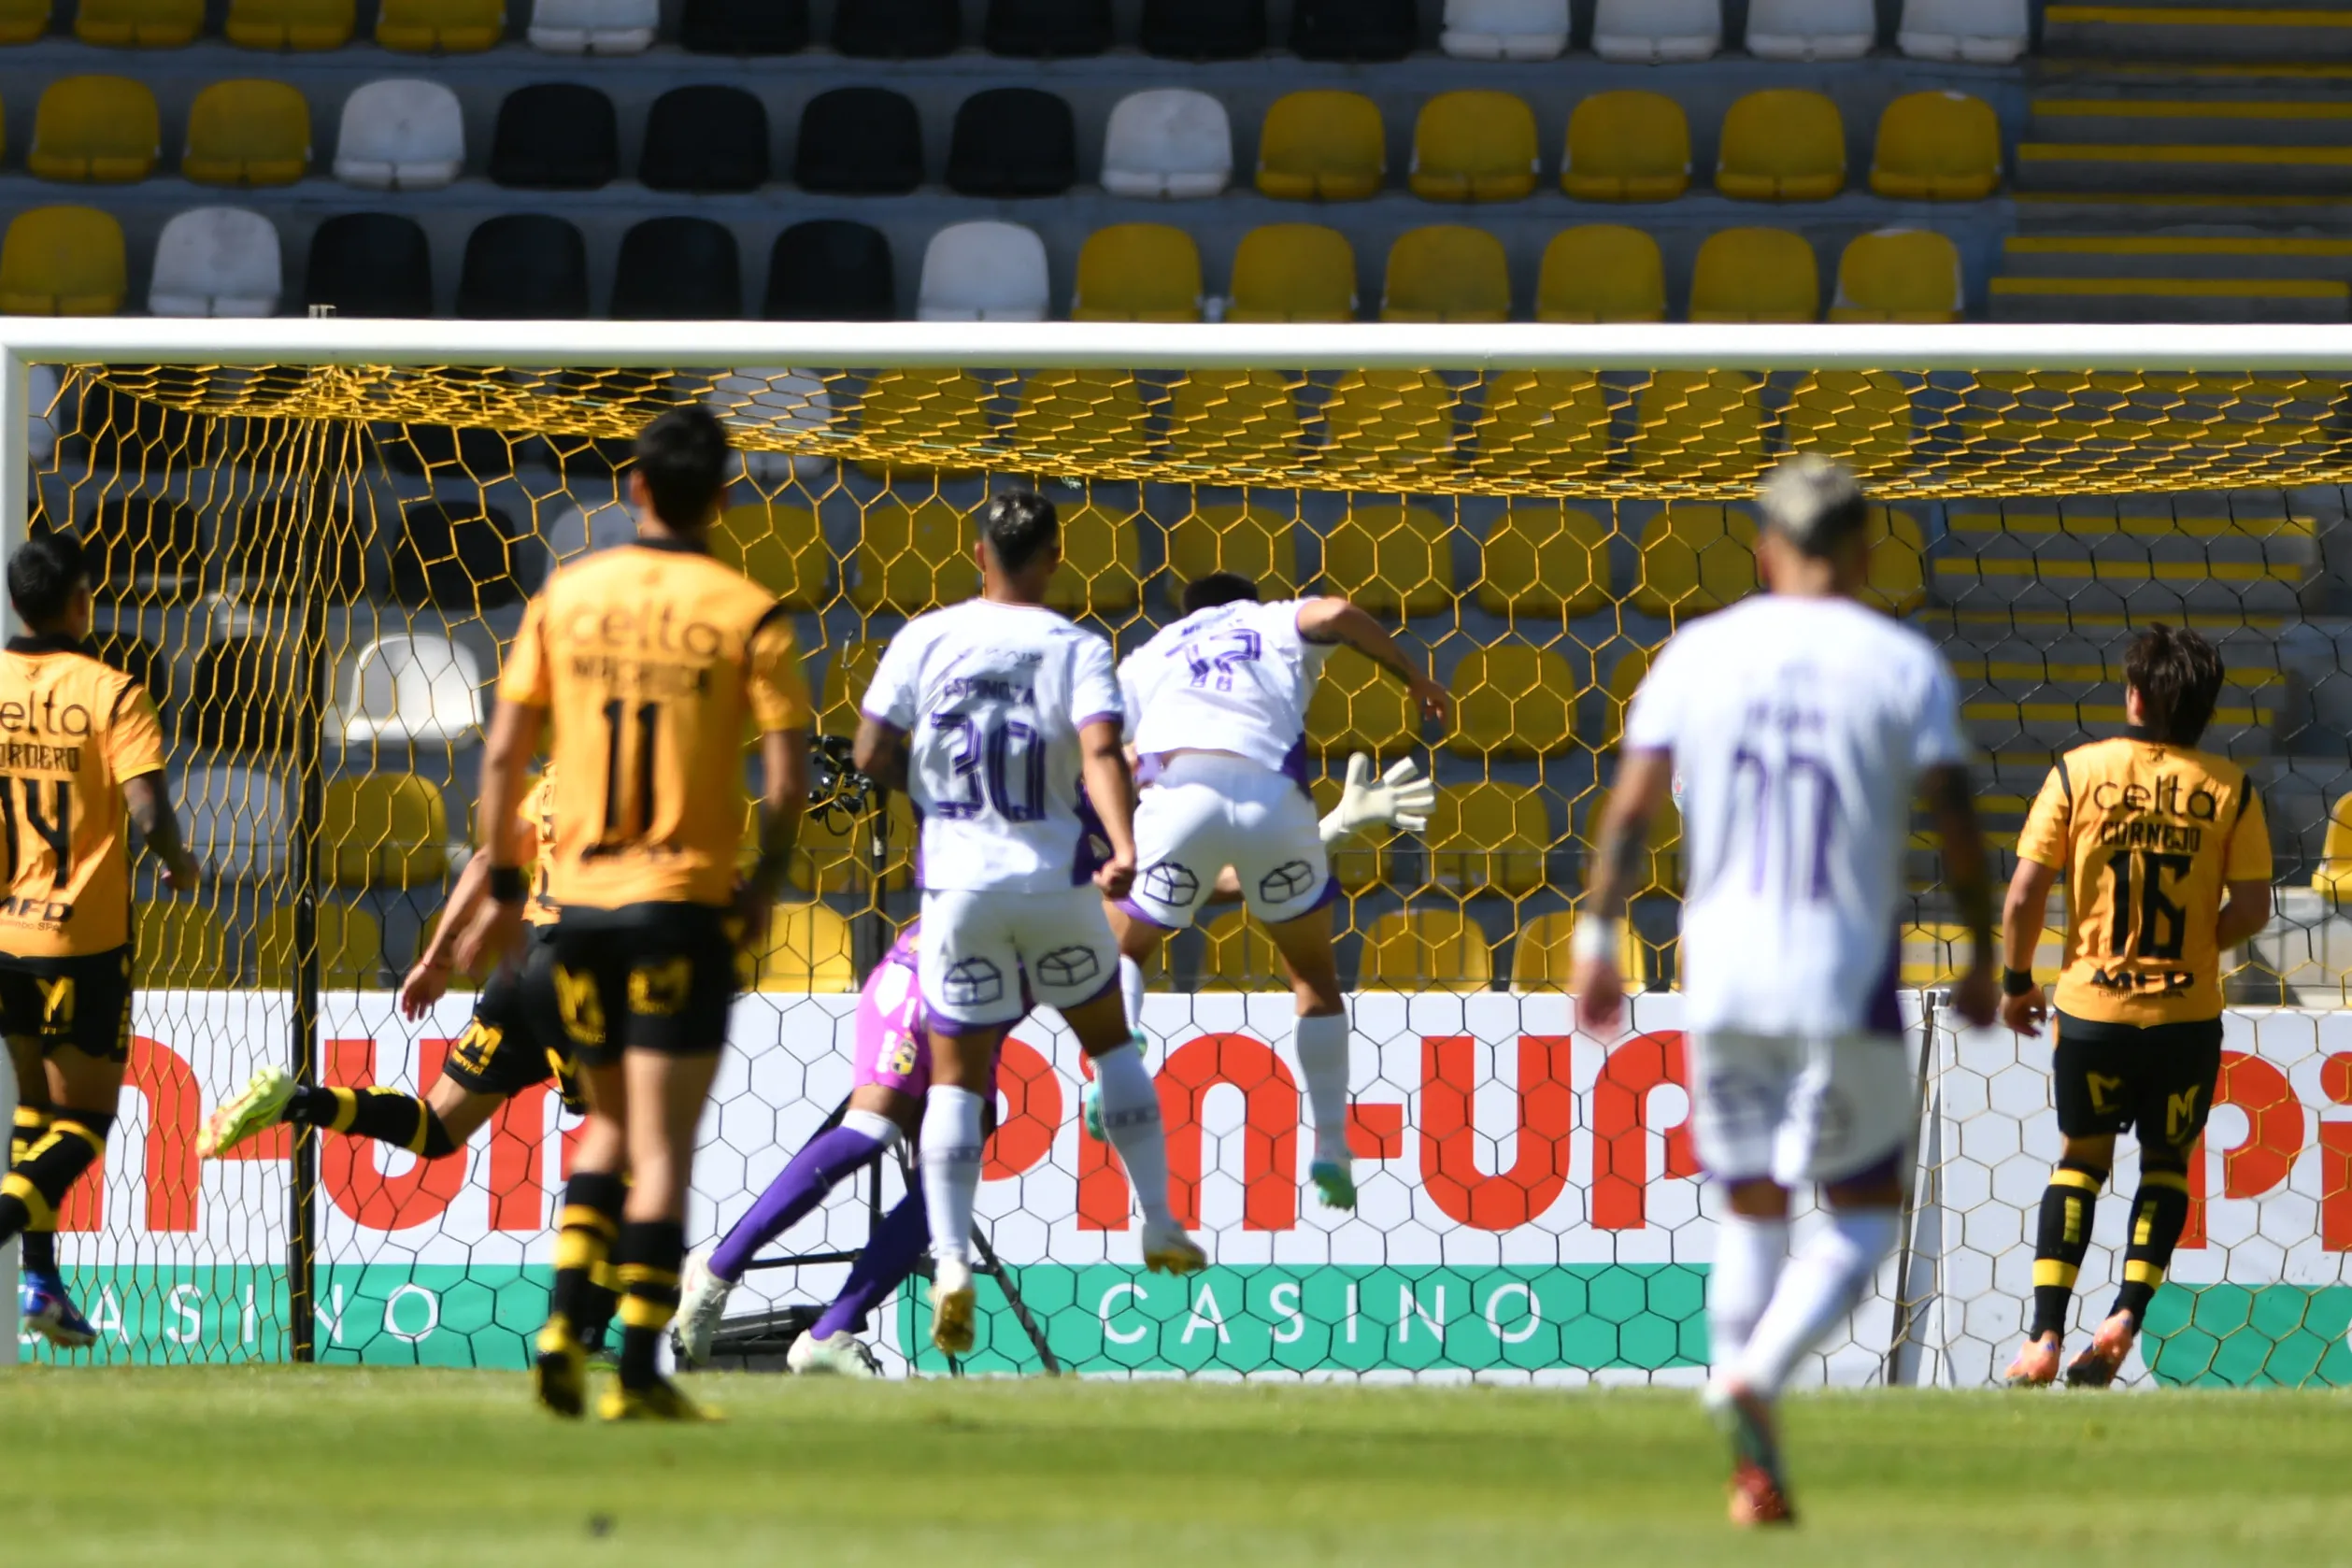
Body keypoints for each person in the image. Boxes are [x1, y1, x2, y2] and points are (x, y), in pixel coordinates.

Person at [670, 753, 1430, 1373]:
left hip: (979, 1028)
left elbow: (1207, 886)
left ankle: (830, 1334)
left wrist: (1326, 829)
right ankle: (715, 1271)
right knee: (871, 1131)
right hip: (920, 981)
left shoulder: (1117, 858)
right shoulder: (1044, 819)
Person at [1572, 455, 1998, 1527]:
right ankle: (1757, 1373)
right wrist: (1988, 952)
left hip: (1718, 974)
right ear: (1862, 551)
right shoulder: (1902, 663)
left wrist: (1596, 930)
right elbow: (1955, 821)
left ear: (1765, 547)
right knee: (1857, 1218)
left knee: (1750, 1206)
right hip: (1842, 969)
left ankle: (1751, 1464)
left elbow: (1629, 811)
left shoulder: (1697, 653)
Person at [457, 404, 812, 1421]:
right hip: (678, 909)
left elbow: (501, 754)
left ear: (634, 489)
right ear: (728, 497)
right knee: (661, 1148)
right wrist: (765, 885)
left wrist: (500, 887)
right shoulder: (750, 611)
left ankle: (564, 1327)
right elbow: (784, 784)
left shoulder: (568, 596)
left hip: (573, 914)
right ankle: (641, 1369)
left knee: (607, 1124)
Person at [853, 489, 1202, 1358]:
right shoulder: (1077, 646)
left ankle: (948, 1262)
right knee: (1111, 1046)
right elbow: (1096, 751)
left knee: (954, 1083)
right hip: (1051, 883)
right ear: (1053, 556)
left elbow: (866, 753)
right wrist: (1122, 844)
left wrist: (935, 798)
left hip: (957, 893)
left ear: (977, 554)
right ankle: (1158, 1220)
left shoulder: (924, 636)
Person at [196, 771, 608, 1330]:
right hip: (582, 973)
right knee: (620, 1150)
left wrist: (435, 956)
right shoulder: (634, 773)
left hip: (521, 968)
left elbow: (488, 859)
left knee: (436, 1128)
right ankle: (580, 1333)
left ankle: (296, 1101)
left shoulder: (557, 777)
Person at [1102, 572, 1449, 1211]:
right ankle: (1330, 1143)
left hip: (1179, 796)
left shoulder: (1152, 654)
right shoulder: (1272, 621)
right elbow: (1340, 609)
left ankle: (1115, 1065)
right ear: (1247, 603)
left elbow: (1098, 742)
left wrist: (1120, 813)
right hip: (1272, 796)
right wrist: (1412, 676)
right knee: (1313, 980)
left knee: (1119, 948)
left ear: (1186, 613)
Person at [1998, 624, 2271, 1390]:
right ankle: (2122, 1316)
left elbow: (2023, 893)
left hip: (2091, 1011)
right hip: (2184, 1020)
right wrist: (2189, 951)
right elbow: (2252, 908)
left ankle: (2043, 1335)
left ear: (2135, 696)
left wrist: (2018, 978)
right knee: (2165, 1166)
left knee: (2080, 1161)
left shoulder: (2077, 772)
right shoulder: (2230, 788)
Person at [0, 531, 200, 1347]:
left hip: (5, 933)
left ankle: (41, 1282)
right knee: (84, 1124)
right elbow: (149, 815)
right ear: (81, 598)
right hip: (83, 939)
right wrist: (182, 866)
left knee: (35, 1111)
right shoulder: (113, 692)